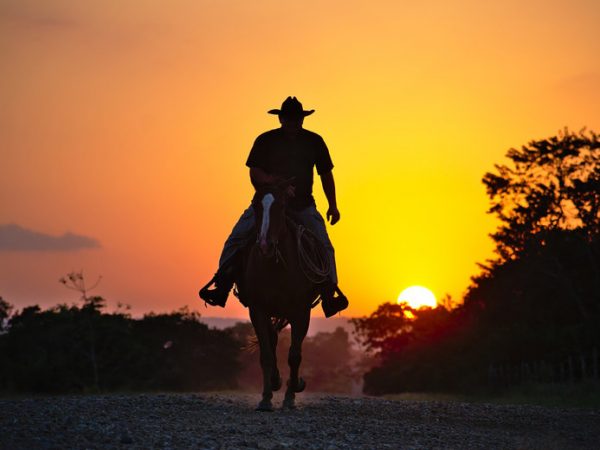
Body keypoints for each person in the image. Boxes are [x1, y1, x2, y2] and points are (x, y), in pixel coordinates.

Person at [199, 96, 348, 317]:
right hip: (267, 204)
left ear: (302, 119)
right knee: (236, 239)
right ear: (280, 118)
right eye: (289, 119)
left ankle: (329, 294)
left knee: (325, 245)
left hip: (302, 206)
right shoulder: (265, 140)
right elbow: (254, 172)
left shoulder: (315, 141)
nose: (293, 123)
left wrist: (333, 206)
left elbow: (326, 174)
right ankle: (222, 286)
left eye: (297, 119)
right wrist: (275, 183)